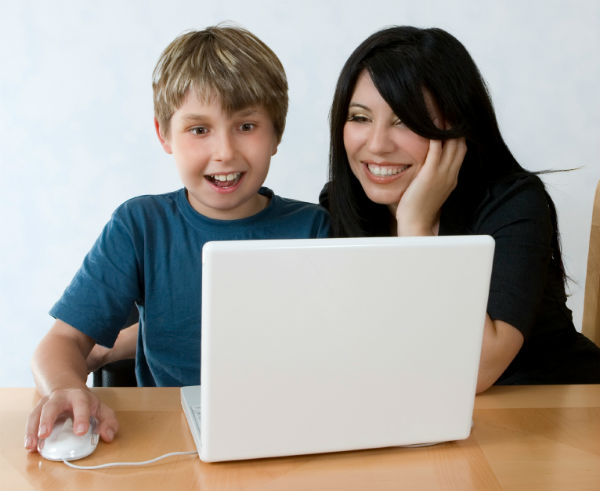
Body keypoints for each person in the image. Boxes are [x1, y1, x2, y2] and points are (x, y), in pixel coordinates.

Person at [24, 25, 330, 453]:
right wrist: (63, 387)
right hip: (171, 439)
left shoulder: (316, 229)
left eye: (246, 125)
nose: (224, 151)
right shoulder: (140, 225)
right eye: (199, 129)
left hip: (291, 433)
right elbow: (60, 343)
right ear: (164, 134)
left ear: (276, 133)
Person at [319, 26, 600, 392]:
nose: (377, 144)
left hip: (556, 412)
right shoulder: (343, 203)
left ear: (456, 130)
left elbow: (477, 370)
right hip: (432, 415)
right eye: (359, 117)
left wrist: (416, 228)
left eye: (405, 120)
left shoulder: (514, 203)